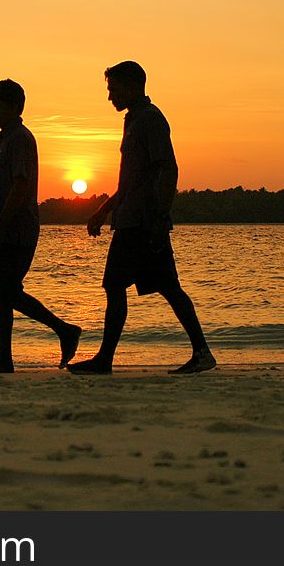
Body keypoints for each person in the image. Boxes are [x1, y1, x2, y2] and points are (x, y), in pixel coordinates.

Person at [68, 61, 215, 375]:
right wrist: (103, 210)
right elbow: (131, 180)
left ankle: (107, 359)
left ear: (132, 86)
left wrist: (161, 216)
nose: (110, 97)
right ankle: (200, 351)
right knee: (155, 286)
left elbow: (168, 169)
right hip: (130, 219)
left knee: (127, 285)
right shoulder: (132, 121)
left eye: (113, 89)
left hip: (144, 222)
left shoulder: (150, 120)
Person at [0, 79, 82, 373]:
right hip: (4, 227)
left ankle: (64, 330)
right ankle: (5, 357)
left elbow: (20, 186)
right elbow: (3, 182)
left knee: (7, 291)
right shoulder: (5, 138)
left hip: (16, 228)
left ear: (14, 108)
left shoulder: (20, 139)